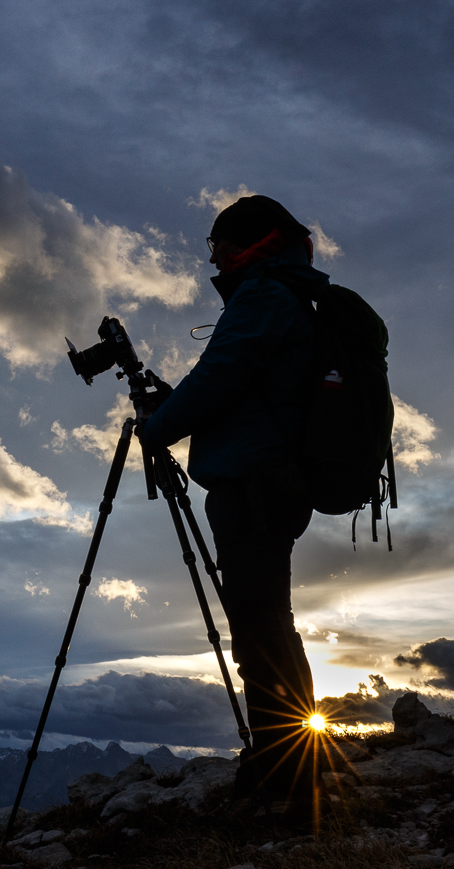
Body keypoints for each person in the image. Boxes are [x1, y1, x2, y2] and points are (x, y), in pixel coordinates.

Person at [137, 195, 326, 816]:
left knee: (260, 625)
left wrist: (155, 427)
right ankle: (283, 760)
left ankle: (287, 777)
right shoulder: (280, 293)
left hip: (256, 482)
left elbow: (220, 375)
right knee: (265, 619)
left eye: (218, 245)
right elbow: (236, 387)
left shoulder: (266, 295)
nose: (211, 258)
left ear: (250, 244)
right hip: (268, 477)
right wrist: (174, 408)